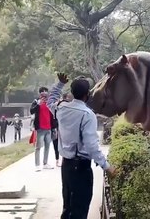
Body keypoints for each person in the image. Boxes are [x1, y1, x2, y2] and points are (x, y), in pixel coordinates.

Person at [47, 73, 116, 219]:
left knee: (68, 207)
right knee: (79, 209)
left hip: (66, 166)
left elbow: (50, 100)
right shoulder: (87, 114)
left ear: (72, 92)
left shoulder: (61, 108)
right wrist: (106, 166)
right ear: (88, 94)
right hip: (81, 168)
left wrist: (60, 84)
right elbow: (91, 145)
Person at [30, 87, 55, 171]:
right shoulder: (36, 101)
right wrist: (38, 105)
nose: (44, 93)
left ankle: (45, 163)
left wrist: (53, 127)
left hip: (48, 128)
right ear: (40, 93)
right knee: (38, 147)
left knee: (47, 146)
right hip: (40, 128)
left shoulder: (49, 102)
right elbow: (31, 111)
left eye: (46, 92)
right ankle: (37, 165)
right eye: (42, 92)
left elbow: (52, 115)